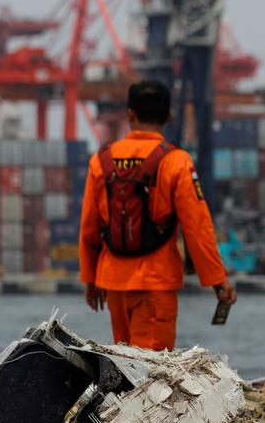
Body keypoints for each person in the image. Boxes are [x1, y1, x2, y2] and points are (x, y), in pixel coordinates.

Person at [78, 80, 236, 350]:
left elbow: (90, 226)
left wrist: (90, 278)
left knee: (124, 365)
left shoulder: (101, 160)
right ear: (168, 116)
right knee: (150, 373)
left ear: (130, 114)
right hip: (155, 283)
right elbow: (196, 225)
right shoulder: (176, 161)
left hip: (113, 281)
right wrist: (216, 278)